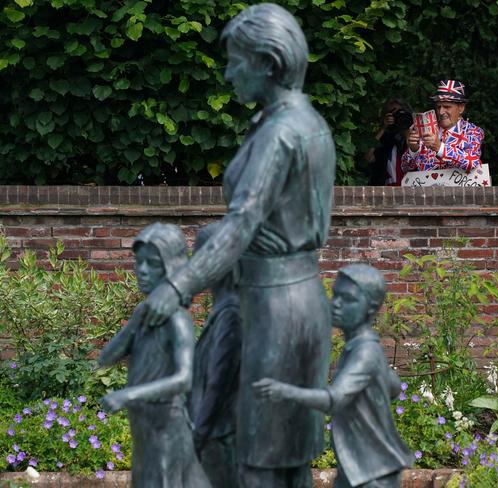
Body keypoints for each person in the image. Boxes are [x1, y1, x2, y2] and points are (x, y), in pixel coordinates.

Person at [140, 4, 336, 487]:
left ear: (269, 62)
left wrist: (178, 285)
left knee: (260, 459)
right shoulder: (310, 123)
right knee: (287, 458)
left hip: (273, 308)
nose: (228, 73)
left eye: (235, 61)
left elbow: (241, 223)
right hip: (303, 299)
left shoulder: (280, 134)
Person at [253, 264, 413, 488]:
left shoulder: (365, 352)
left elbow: (334, 400)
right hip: (359, 465)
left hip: (371, 472)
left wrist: (282, 390)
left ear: (371, 308)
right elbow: (394, 387)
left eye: (347, 299)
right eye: (336, 295)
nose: (336, 303)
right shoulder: (361, 348)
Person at [98, 223, 210, 488]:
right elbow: (106, 357)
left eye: (153, 264)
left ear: (170, 268)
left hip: (167, 428)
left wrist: (128, 394)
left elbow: (184, 379)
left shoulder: (177, 320)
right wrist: (136, 320)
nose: (143, 271)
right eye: (139, 262)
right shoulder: (143, 315)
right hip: (144, 424)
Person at [187, 223, 241, 488]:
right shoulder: (222, 311)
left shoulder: (231, 315)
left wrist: (198, 435)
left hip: (219, 439)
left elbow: (219, 385)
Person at [401, 80, 484, 174]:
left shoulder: (473, 132)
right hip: (426, 188)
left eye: (447, 106)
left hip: (459, 189)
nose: (441, 112)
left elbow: (472, 162)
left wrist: (440, 147)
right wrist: (413, 150)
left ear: (461, 108)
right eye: (438, 107)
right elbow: (405, 168)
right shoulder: (426, 128)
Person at [366, 98, 413, 186]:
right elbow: (368, 158)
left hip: (410, 189)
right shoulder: (384, 138)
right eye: (393, 114)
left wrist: (407, 128)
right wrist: (383, 128)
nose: (398, 116)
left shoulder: (416, 136)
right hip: (386, 190)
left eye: (401, 113)